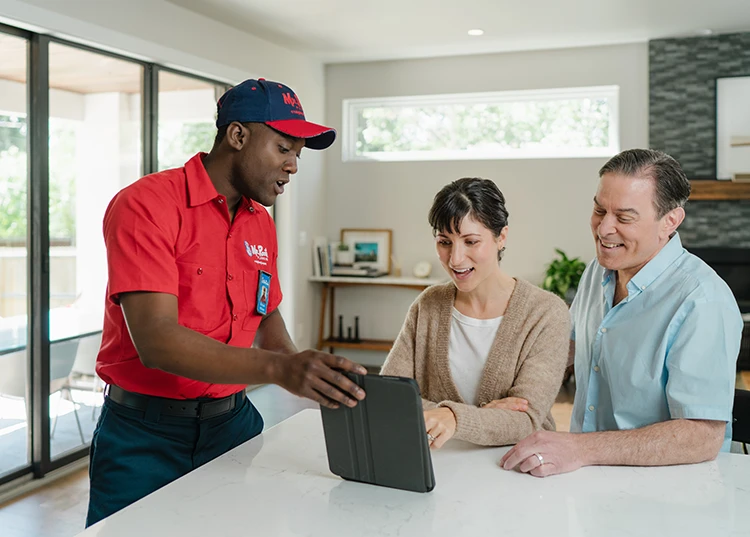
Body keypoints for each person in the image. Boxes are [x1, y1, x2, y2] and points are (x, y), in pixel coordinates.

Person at [86, 78, 367, 526]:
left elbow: (266, 313)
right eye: (283, 148)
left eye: (298, 153)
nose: (294, 165)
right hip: (143, 437)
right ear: (238, 136)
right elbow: (156, 339)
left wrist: (306, 371)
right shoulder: (146, 205)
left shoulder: (260, 222)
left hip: (233, 426)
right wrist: (279, 370)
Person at [501, 149, 743, 477]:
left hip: (671, 491)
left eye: (624, 217)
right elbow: (566, 351)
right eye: (599, 210)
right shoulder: (596, 272)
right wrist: (510, 396)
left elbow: (702, 437)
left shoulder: (702, 301)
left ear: (669, 221)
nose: (604, 229)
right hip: (587, 475)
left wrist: (580, 448)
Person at [381, 178, 570, 448]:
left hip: (515, 468)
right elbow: (389, 397)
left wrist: (453, 418)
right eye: (444, 242)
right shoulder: (428, 305)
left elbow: (527, 420)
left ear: (501, 237)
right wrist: (487, 417)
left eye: (471, 241)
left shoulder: (545, 313)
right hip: (440, 463)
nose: (455, 258)